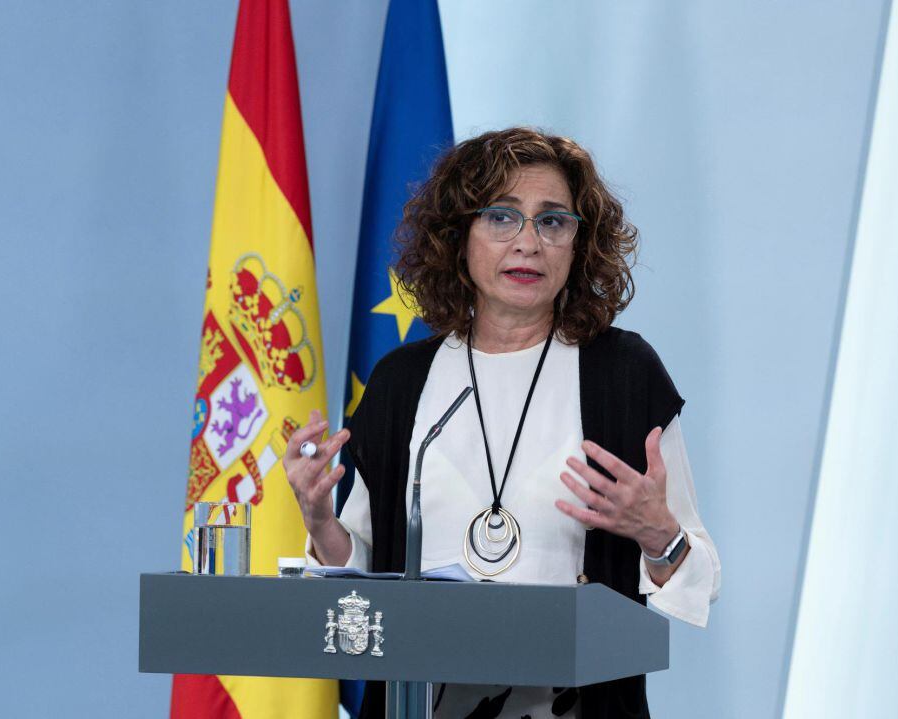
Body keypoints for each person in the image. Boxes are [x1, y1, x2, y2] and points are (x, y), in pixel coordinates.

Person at [285, 127, 721, 719]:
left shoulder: (623, 374)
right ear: (457, 237)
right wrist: (318, 520)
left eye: (553, 221)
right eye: (501, 217)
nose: (529, 243)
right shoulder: (402, 382)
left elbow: (698, 577)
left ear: (579, 244)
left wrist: (657, 534)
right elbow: (357, 572)